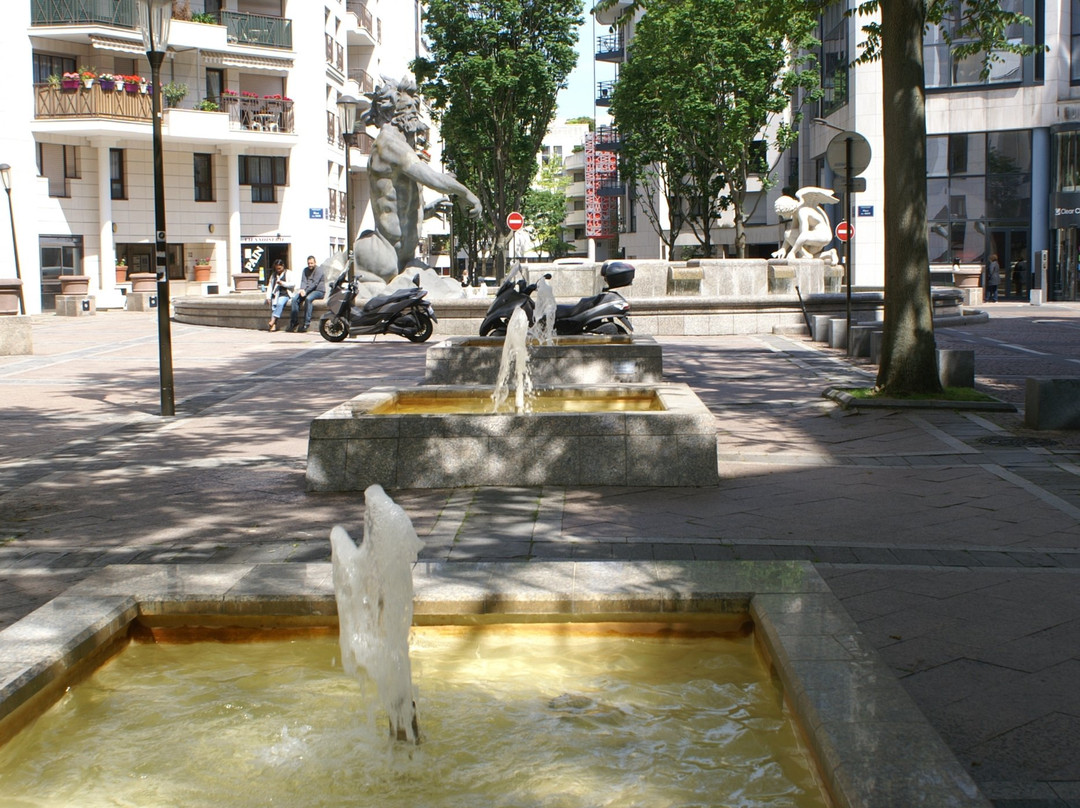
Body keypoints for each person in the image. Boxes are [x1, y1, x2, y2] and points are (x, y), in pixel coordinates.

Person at [349, 76, 482, 284]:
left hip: (405, 258)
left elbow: (399, 205)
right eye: (408, 107)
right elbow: (432, 178)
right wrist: (466, 194)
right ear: (390, 111)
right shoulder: (388, 143)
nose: (414, 111)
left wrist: (426, 211)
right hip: (385, 253)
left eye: (415, 106)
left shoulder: (402, 145)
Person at [287, 255, 326, 332]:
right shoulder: (305, 270)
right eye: (308, 263)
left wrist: (305, 291)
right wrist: (302, 289)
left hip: (318, 291)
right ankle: (294, 322)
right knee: (295, 299)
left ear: (315, 262)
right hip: (307, 290)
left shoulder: (319, 270)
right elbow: (303, 281)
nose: (310, 265)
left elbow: (315, 283)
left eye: (311, 263)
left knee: (308, 299)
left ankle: (306, 323)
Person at [265, 259, 294, 332]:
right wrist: (268, 297)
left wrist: (283, 283)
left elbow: (293, 284)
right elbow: (270, 286)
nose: (278, 270)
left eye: (279, 268)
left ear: (283, 266)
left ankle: (272, 320)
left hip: (285, 294)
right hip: (276, 294)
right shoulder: (273, 275)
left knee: (280, 303)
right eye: (277, 268)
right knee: (274, 307)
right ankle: (273, 325)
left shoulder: (289, 273)